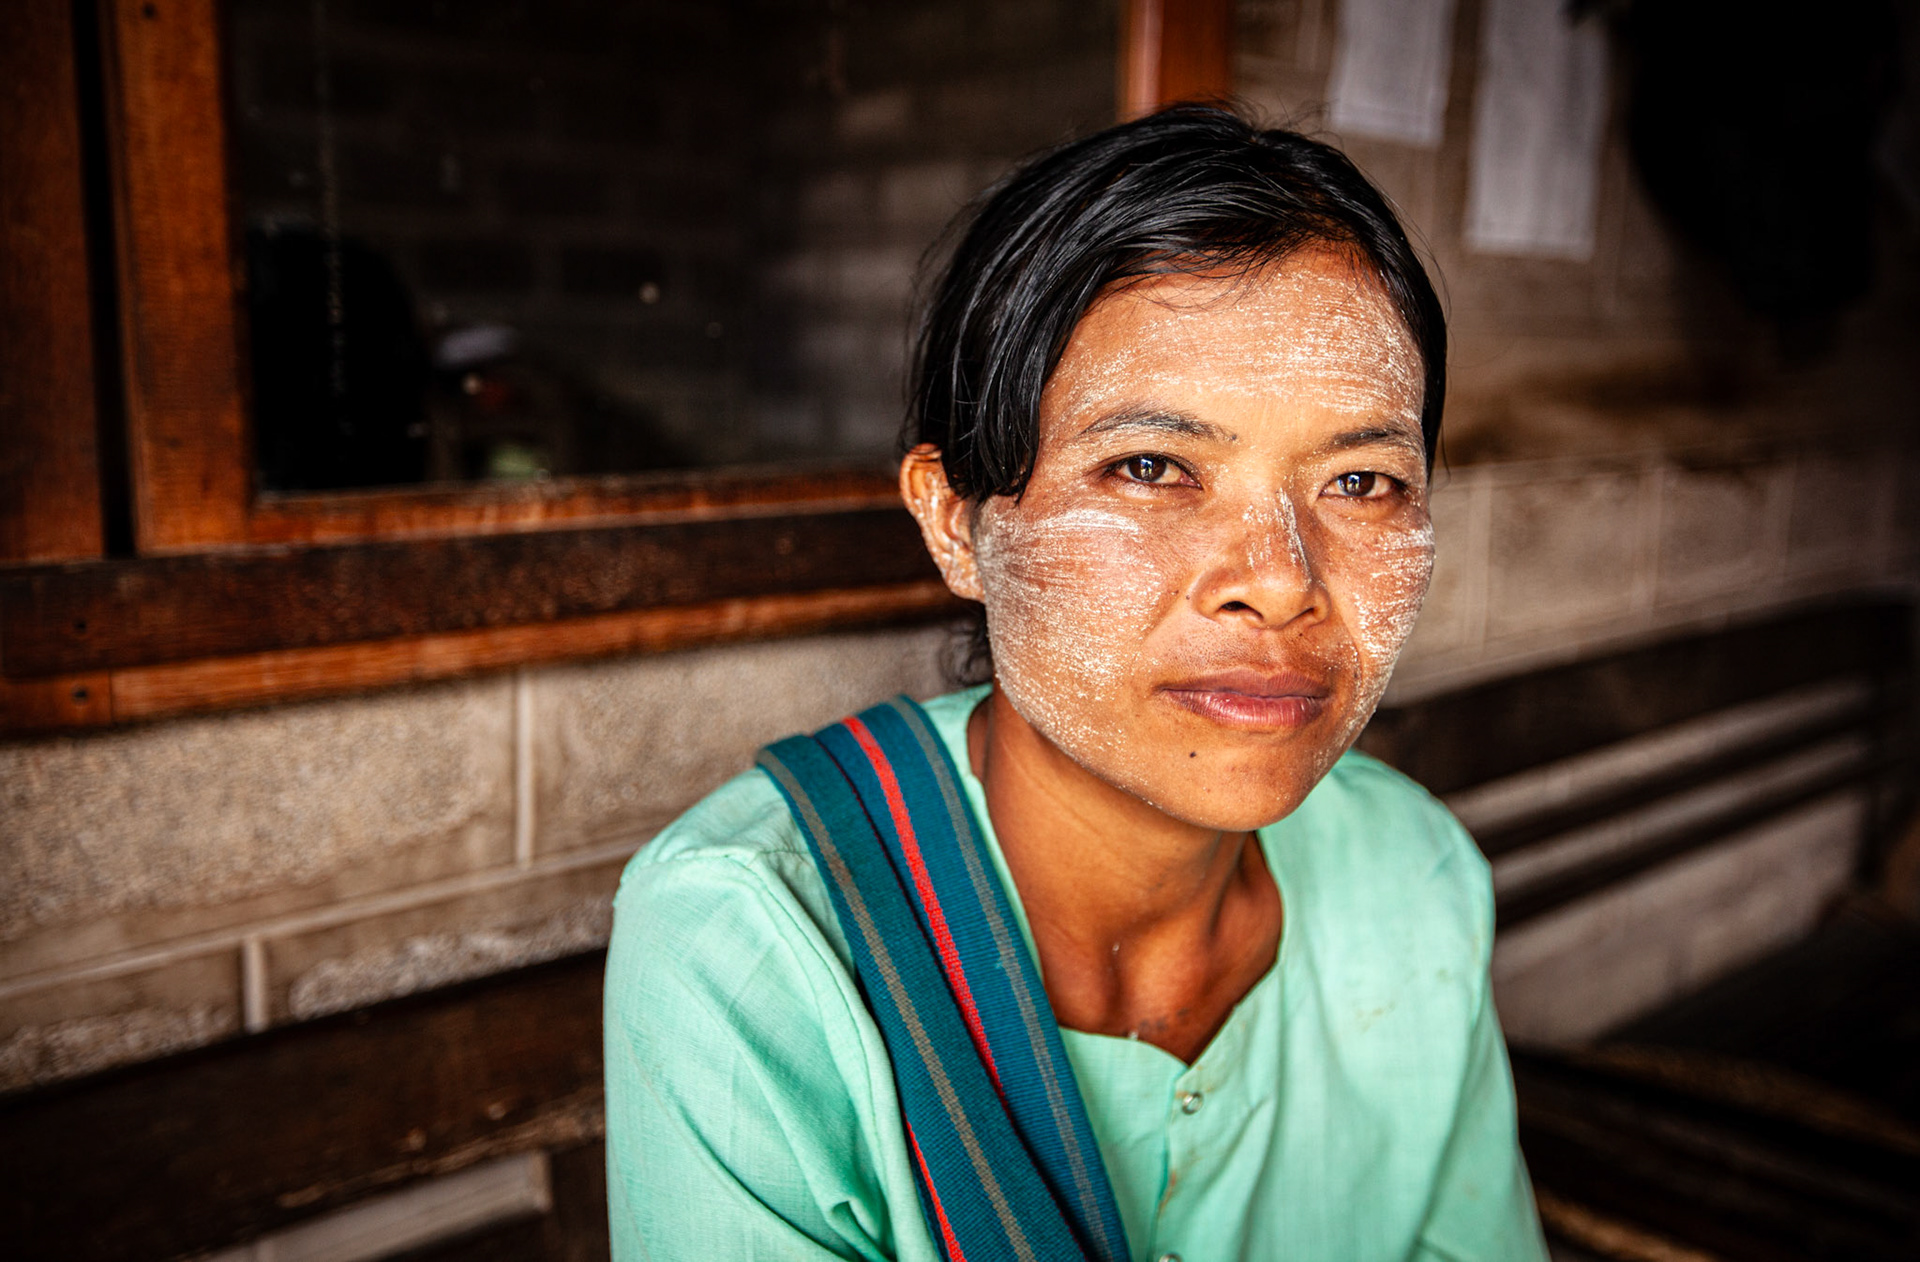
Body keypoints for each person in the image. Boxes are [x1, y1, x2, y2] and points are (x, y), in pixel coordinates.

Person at [603, 105, 1550, 1262]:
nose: (1280, 581)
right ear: (955, 521)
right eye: (1152, 466)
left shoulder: (1412, 872)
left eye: (1361, 481)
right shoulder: (755, 942)